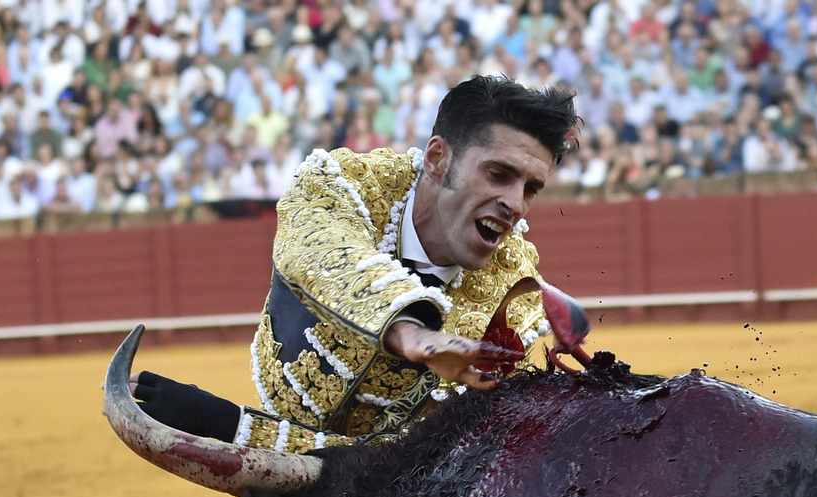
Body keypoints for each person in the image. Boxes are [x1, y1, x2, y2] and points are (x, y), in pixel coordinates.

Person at [134, 75, 577, 453]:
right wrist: (411, 333)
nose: (516, 204)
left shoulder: (512, 302)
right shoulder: (344, 187)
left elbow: (411, 468)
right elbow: (325, 257)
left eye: (532, 188)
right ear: (438, 160)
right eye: (498, 175)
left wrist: (232, 427)